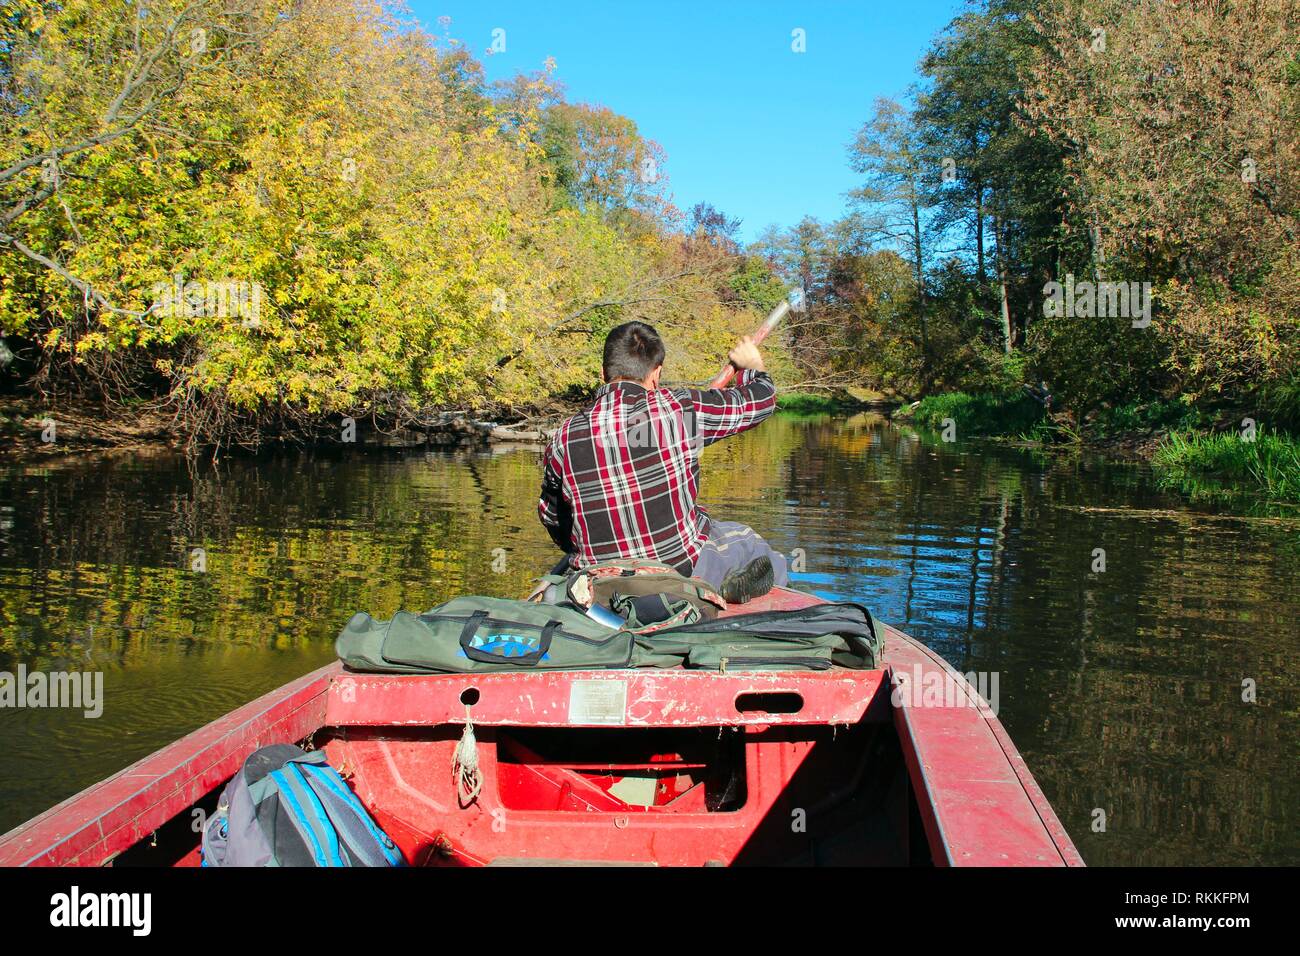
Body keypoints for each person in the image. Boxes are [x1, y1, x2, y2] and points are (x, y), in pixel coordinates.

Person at [538, 320, 789, 604]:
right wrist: (752, 367)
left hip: (600, 578)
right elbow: (760, 401)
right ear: (656, 374)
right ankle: (724, 588)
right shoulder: (679, 410)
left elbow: (552, 518)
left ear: (603, 373)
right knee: (751, 542)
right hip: (675, 573)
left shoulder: (565, 435)